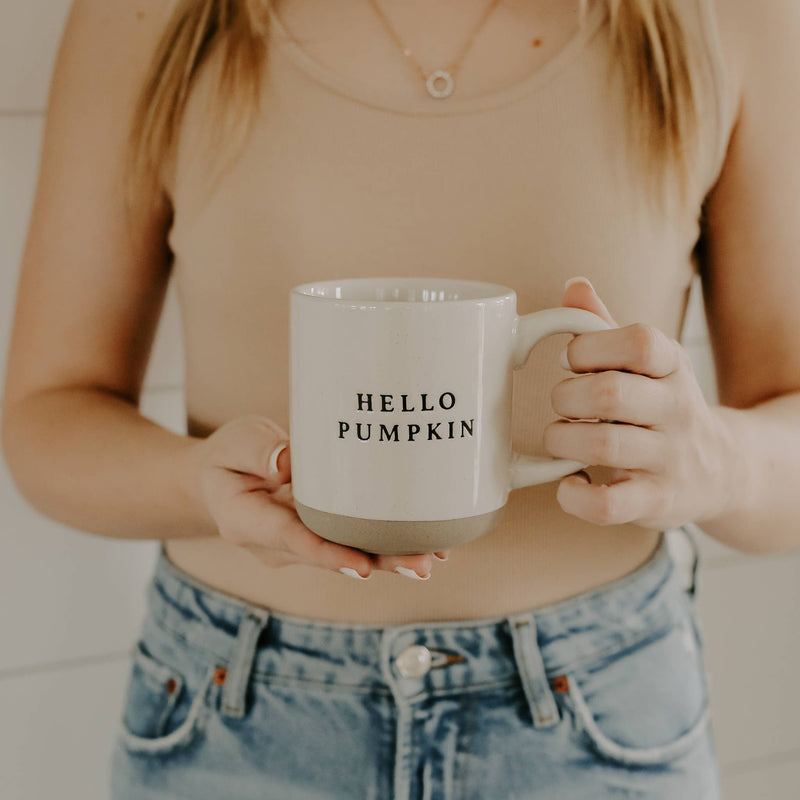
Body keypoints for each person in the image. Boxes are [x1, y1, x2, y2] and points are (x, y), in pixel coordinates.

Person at [2, 0, 798, 796]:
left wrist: (716, 461)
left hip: (598, 722)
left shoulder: (728, 18)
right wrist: (201, 485)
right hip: (231, 718)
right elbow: (49, 413)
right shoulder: (142, 16)